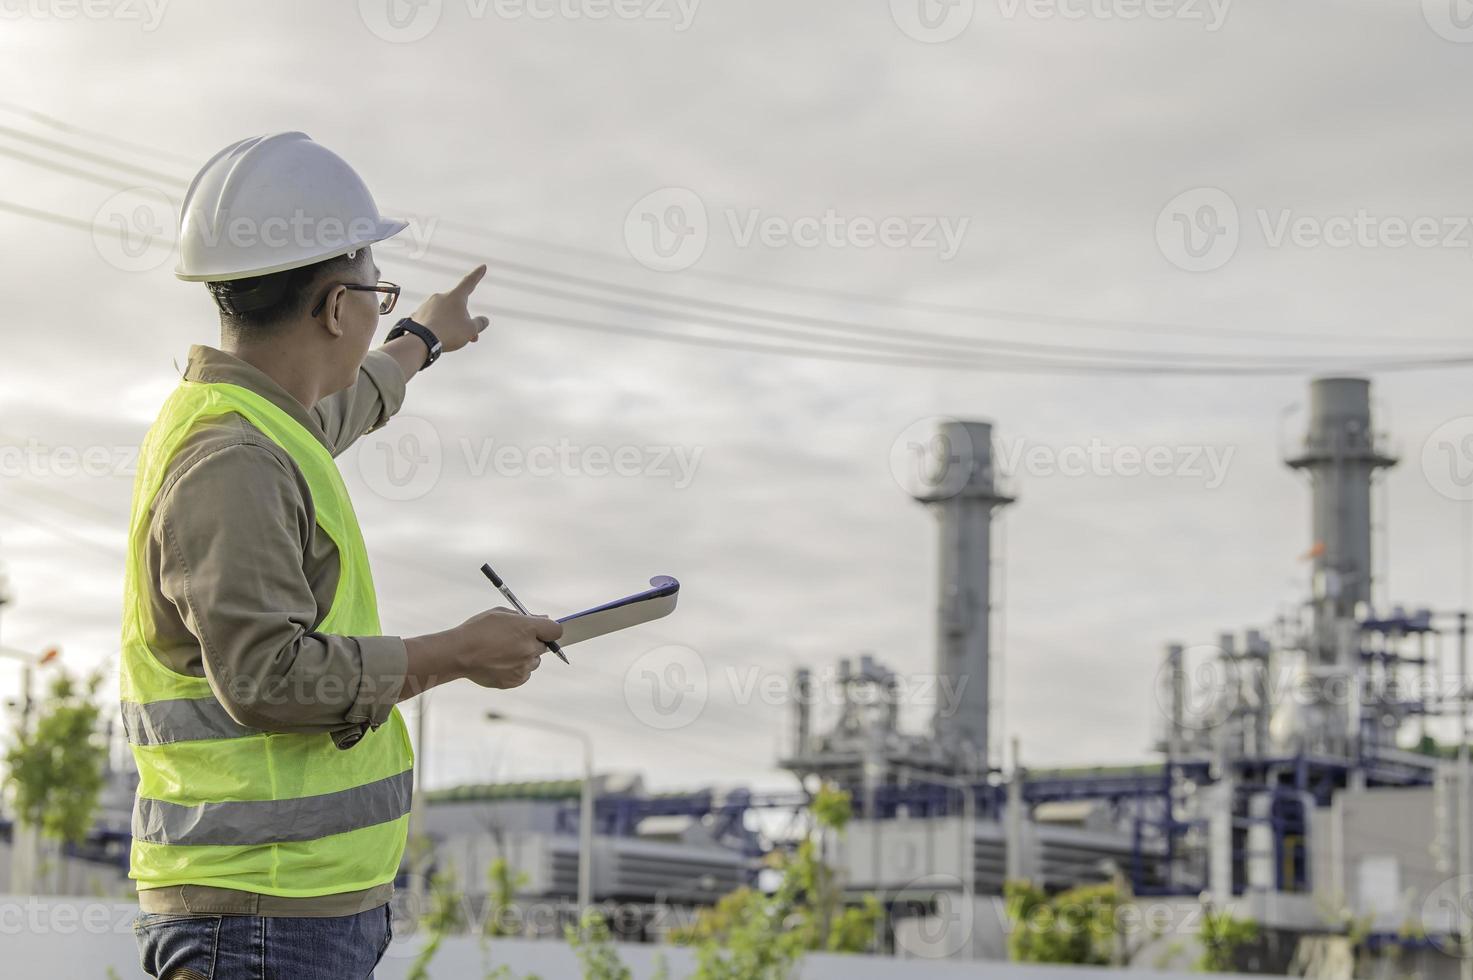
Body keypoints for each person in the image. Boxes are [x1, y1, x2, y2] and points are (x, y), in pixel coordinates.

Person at [121, 132, 562, 979]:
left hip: (284, 913)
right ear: (333, 308)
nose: (375, 305)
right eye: (374, 288)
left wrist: (422, 339)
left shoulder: (252, 423)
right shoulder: (234, 459)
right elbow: (266, 678)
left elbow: (337, 412)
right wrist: (459, 654)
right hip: (258, 920)